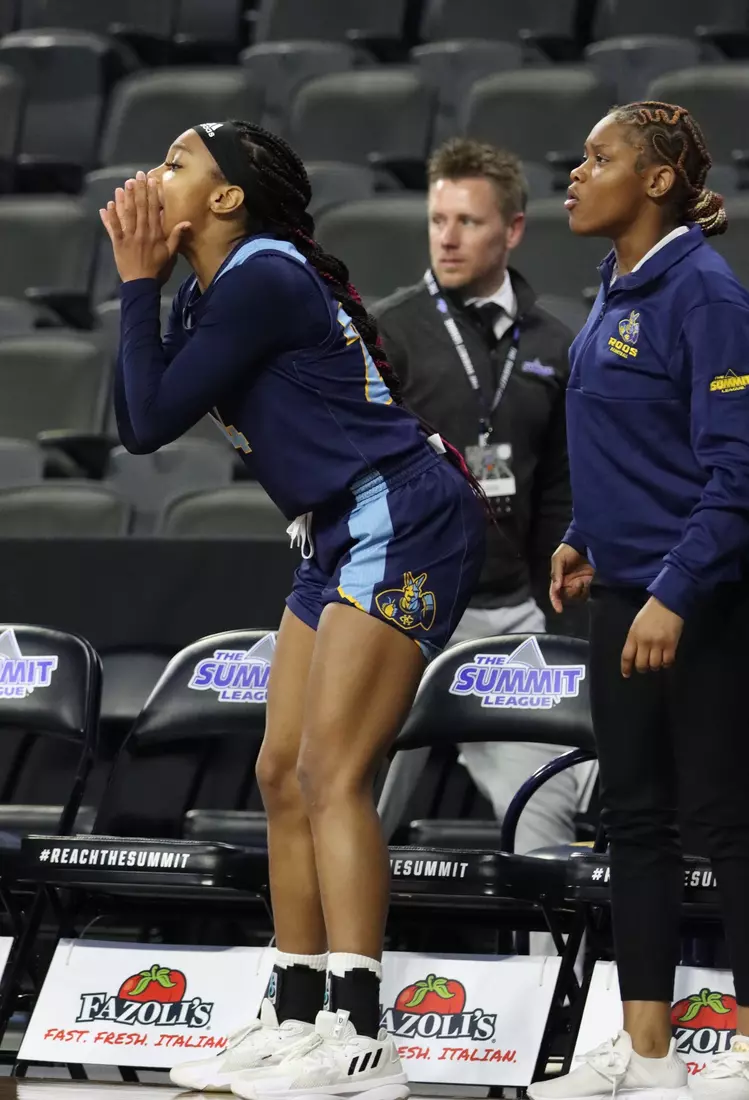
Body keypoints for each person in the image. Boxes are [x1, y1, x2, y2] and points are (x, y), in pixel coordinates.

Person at [100, 120, 485, 1099]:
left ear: (227, 198)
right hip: (332, 526)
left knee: (330, 766)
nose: (154, 172)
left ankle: (361, 1031)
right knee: (279, 767)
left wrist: (139, 283)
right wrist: (141, 284)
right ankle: (295, 1006)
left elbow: (144, 421)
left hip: (399, 509)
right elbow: (136, 413)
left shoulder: (265, 276)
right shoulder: (209, 292)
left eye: (177, 160)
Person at [530, 101, 749, 1100]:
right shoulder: (613, 286)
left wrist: (672, 588)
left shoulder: (704, 295)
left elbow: (735, 473)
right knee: (633, 822)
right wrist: (582, 534)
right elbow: (624, 449)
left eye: (597, 157)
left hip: (699, 602)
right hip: (622, 593)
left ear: (654, 179)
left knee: (725, 817)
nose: (573, 174)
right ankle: (644, 1047)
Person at [375, 139, 590, 862]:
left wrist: (546, 593)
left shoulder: (555, 345)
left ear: (513, 230)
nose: (446, 236)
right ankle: (319, 965)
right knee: (350, 801)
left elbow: (560, 486)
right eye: (438, 219)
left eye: (467, 221)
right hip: (406, 610)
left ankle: (546, 973)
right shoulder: (387, 333)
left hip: (509, 615)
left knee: (546, 801)